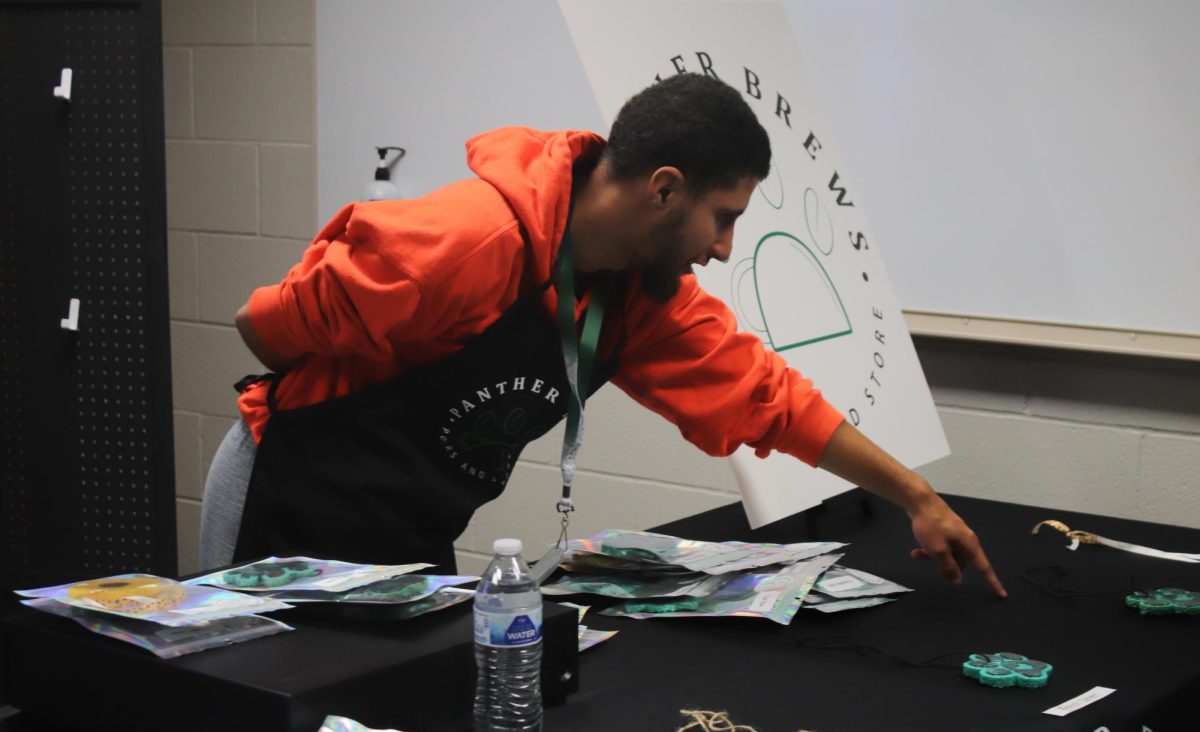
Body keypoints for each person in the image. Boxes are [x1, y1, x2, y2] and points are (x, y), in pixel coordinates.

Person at [200, 74, 1006, 598]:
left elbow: (771, 400)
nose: (723, 248)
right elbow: (261, 331)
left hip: (409, 536)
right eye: (722, 218)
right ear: (664, 191)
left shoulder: (641, 302)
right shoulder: (465, 243)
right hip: (288, 504)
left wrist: (917, 497)